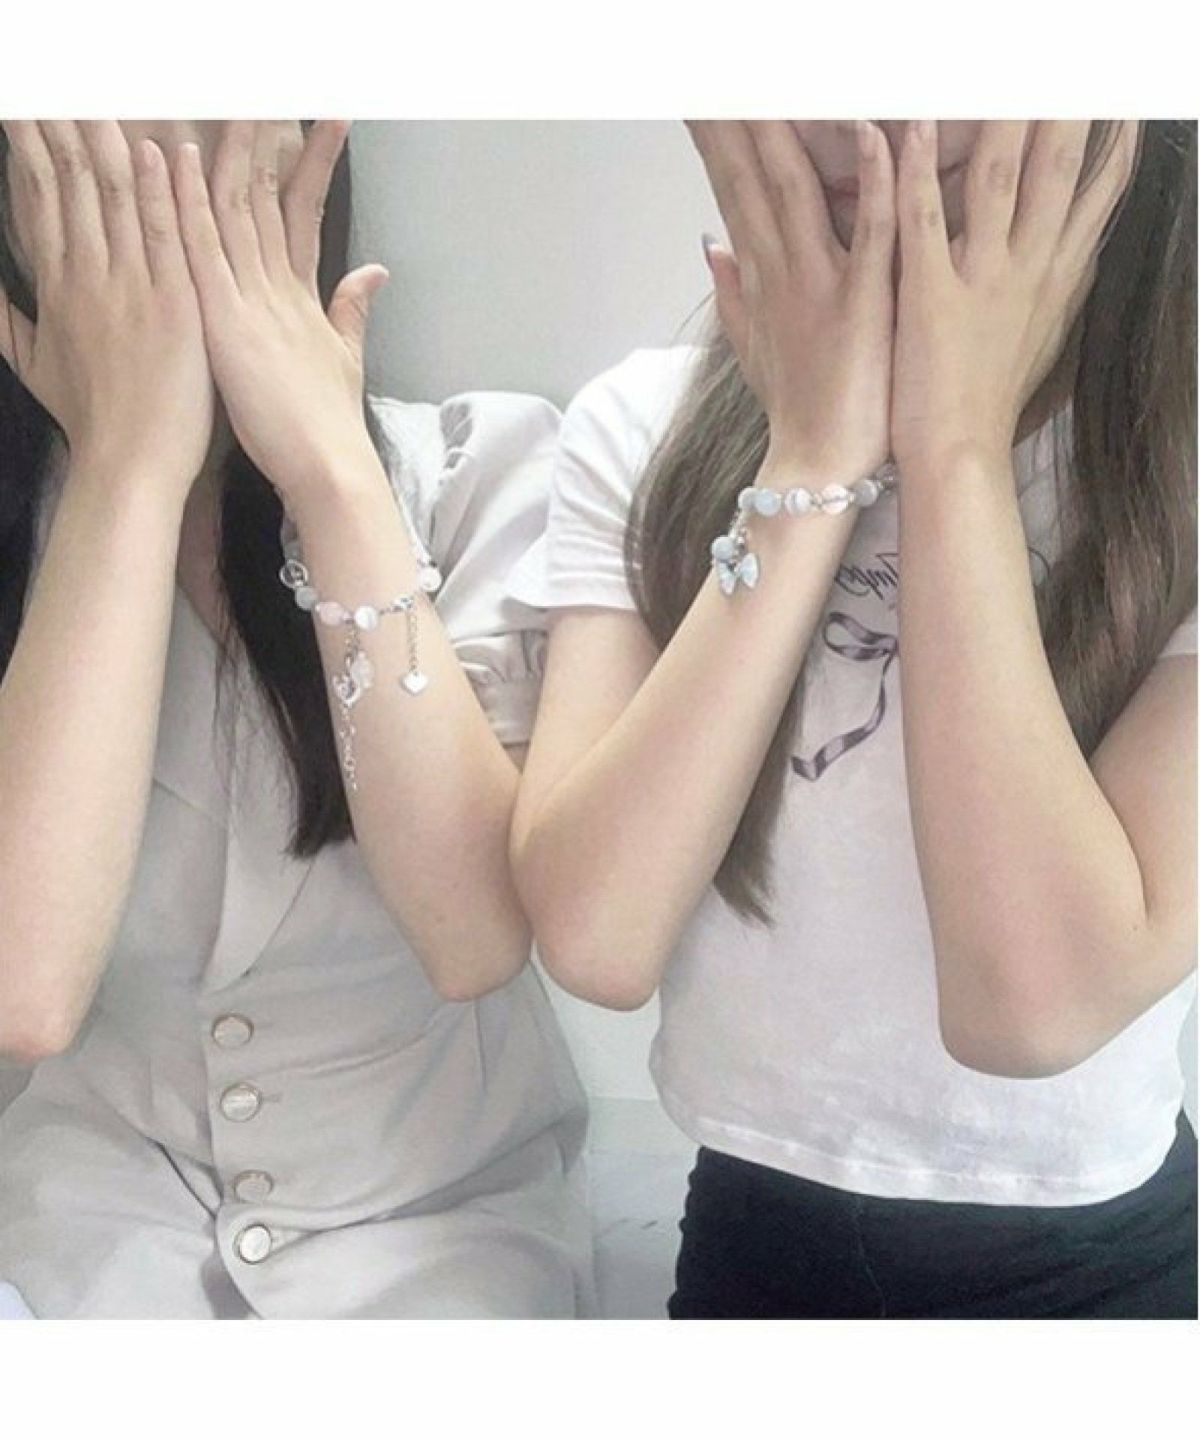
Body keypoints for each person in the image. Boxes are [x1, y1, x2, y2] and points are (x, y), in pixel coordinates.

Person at [509, 119, 1197, 1319]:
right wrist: (813, 456)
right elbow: (596, 937)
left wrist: (954, 450)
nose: (857, 119)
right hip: (748, 1229)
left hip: (1098, 1266)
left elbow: (1033, 1007)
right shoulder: (641, 422)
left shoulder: (1171, 460)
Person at [0, 119, 590, 1319]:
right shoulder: (30, 532)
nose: (161, 191)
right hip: (84, 1231)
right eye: (89, 156)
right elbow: (26, 993)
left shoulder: (478, 467)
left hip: (438, 1226)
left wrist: (326, 468)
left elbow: (476, 940)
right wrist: (126, 465)